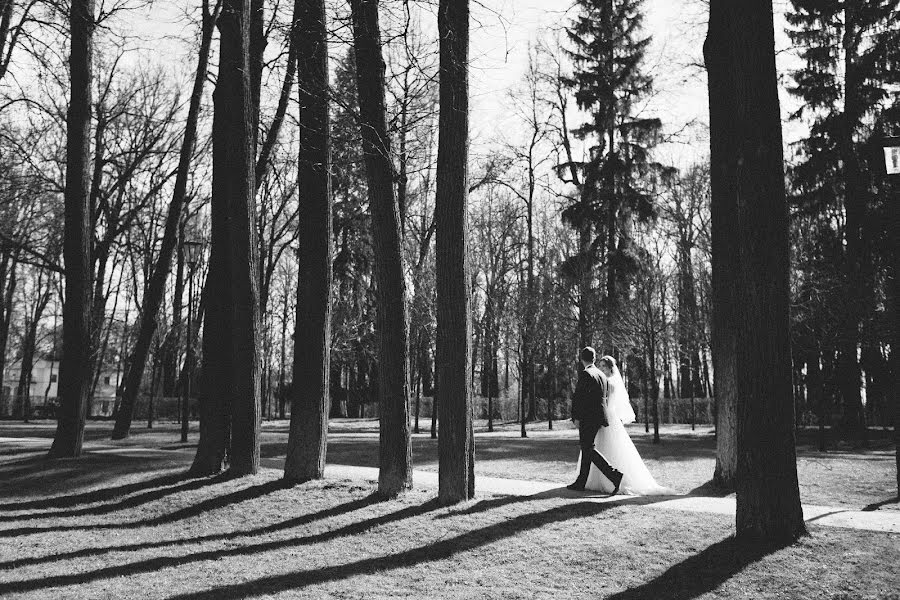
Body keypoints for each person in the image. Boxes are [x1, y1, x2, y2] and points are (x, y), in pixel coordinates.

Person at [581, 355, 672, 495]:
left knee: (607, 448)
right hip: (605, 416)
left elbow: (607, 403)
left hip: (608, 417)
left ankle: (611, 478)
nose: (601, 368)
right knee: (596, 447)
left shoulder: (610, 382)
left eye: (604, 366)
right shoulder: (603, 380)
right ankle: (594, 479)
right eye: (600, 366)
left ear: (610, 367)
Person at [568, 346, 624, 493]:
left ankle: (614, 474)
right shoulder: (601, 375)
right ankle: (581, 482)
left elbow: (579, 398)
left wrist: (576, 417)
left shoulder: (586, 374)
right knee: (587, 449)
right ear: (593, 358)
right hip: (599, 416)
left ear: (581, 359)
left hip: (588, 417)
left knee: (588, 448)